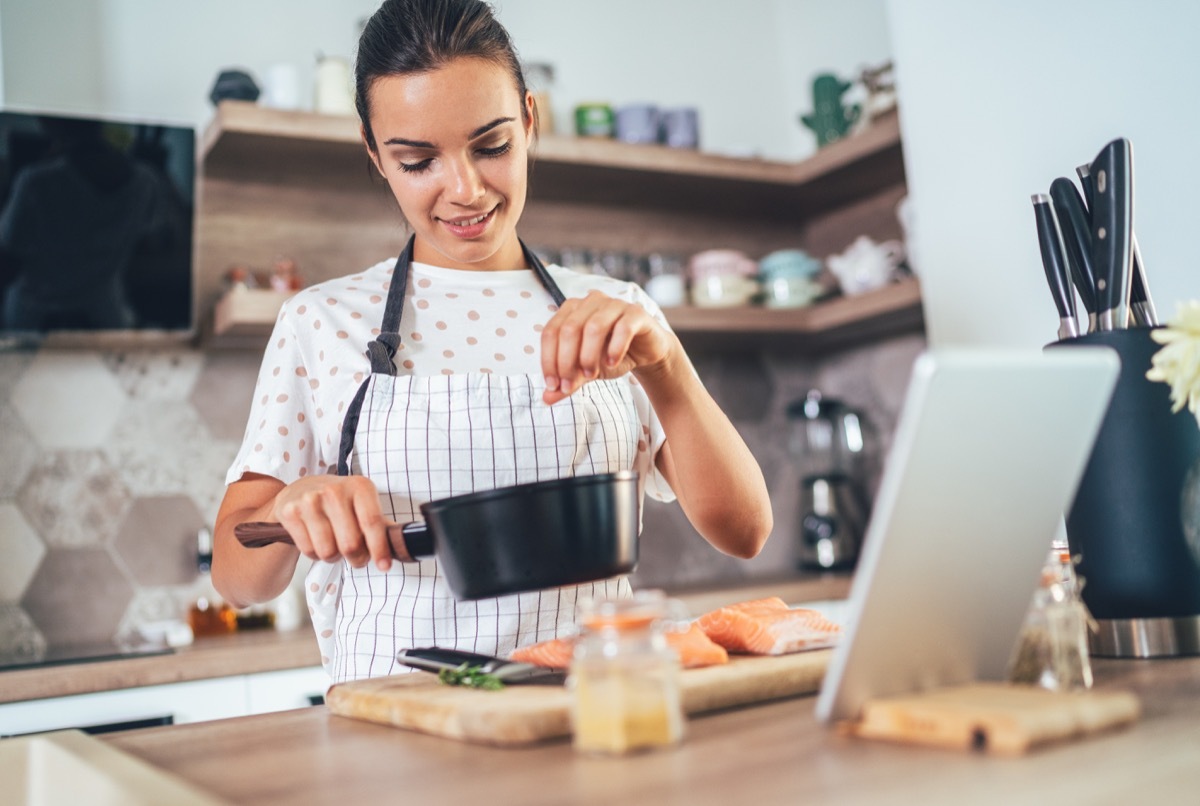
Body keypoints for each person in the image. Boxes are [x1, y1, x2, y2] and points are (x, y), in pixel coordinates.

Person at [213, 0, 771, 683]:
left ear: (529, 121)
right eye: (419, 161)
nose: (466, 190)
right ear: (375, 154)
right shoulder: (320, 322)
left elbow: (744, 532)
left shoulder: (617, 314)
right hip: (399, 749)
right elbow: (237, 580)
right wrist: (289, 503)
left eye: (492, 145)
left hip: (594, 720)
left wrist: (668, 366)